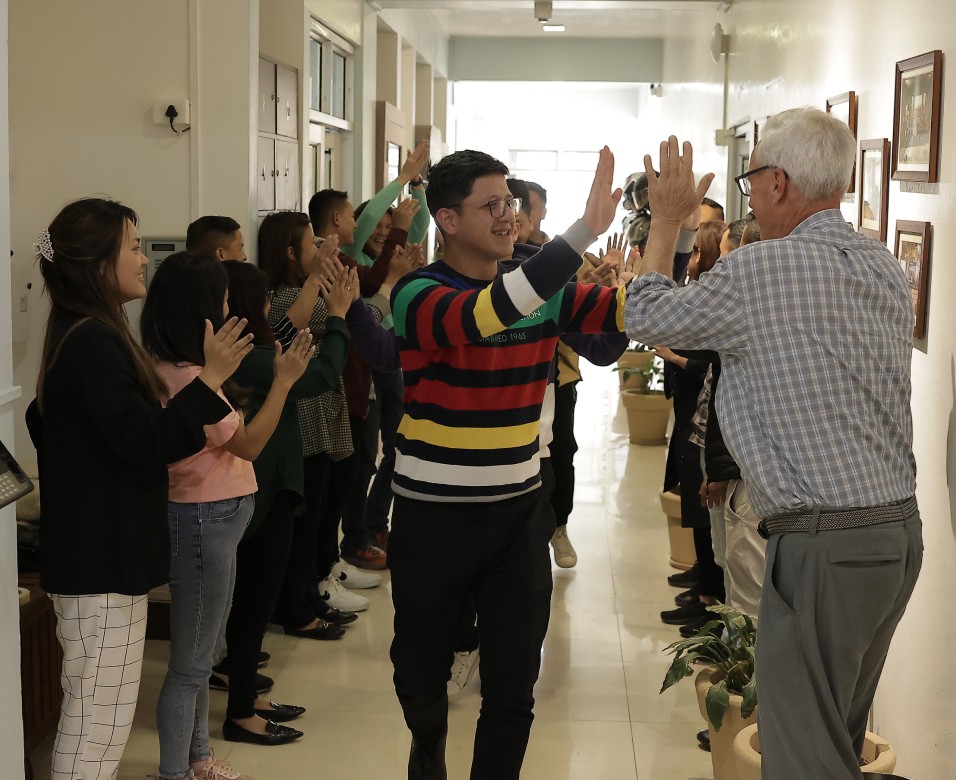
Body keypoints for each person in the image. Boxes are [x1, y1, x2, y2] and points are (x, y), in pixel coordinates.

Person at [625, 111, 922, 780]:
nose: (749, 194)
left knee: (799, 756)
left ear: (780, 182)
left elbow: (644, 315)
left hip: (826, 544)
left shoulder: (761, 272)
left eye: (751, 178)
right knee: (835, 739)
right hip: (896, 536)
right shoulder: (880, 264)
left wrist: (666, 219)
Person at [389, 146, 625, 779]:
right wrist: (581, 232)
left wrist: (665, 239)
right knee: (418, 672)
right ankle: (428, 746)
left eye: (511, 204)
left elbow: (613, 332)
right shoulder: (418, 293)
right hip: (431, 514)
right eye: (490, 205)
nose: (508, 217)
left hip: (519, 513)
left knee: (514, 684)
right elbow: (483, 315)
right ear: (447, 219)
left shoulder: (539, 287)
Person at [25, 197, 252, 780]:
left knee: (102, 715)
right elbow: (148, 441)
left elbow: (52, 422)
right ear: (99, 262)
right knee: (96, 721)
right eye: (131, 246)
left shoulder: (86, 333)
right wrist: (211, 381)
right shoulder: (93, 340)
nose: (142, 258)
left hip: (101, 555)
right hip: (100, 561)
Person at [141, 252, 316, 780]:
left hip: (216, 522)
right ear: (200, 311)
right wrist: (283, 382)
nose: (228, 307)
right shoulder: (185, 375)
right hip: (202, 523)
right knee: (192, 664)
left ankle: (197, 761)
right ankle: (177, 771)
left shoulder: (185, 368)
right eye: (220, 299)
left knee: (201, 656)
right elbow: (249, 444)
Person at [219, 257, 355, 746]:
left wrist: (318, 284)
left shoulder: (253, 344)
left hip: (266, 485)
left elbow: (285, 324)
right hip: (261, 488)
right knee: (253, 600)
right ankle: (240, 714)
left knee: (253, 599)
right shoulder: (248, 356)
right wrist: (337, 315)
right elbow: (319, 376)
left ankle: (246, 693)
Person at [525, 180, 550, 246]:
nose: (522, 212)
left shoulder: (554, 251)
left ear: (543, 213)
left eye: (529, 207)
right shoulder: (507, 249)